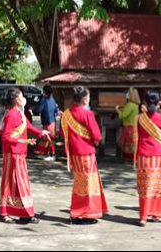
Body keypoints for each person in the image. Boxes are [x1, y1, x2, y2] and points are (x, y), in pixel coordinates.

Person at [0, 87, 50, 224]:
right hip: (12, 154)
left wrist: (41, 133)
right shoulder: (11, 115)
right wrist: (22, 140)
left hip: (20, 154)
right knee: (11, 183)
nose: (24, 99)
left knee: (21, 184)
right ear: (16, 99)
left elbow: (28, 126)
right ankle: (5, 212)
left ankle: (25, 213)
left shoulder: (20, 113)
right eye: (21, 96)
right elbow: (5, 137)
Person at [60, 86, 106, 225]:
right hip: (86, 153)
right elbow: (97, 135)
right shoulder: (88, 114)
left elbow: (63, 134)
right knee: (88, 184)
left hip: (74, 154)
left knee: (79, 183)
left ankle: (79, 212)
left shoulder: (67, 114)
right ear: (85, 99)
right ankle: (83, 214)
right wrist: (96, 141)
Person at [135, 93, 161, 225]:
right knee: (160, 186)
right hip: (159, 157)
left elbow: (136, 137)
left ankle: (143, 217)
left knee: (145, 187)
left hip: (143, 157)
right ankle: (158, 214)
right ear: (159, 103)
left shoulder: (139, 118)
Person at [34, 85, 59, 161]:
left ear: (44, 92)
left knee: (47, 138)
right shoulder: (53, 99)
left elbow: (38, 110)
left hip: (47, 122)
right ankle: (47, 152)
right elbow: (56, 110)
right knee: (50, 137)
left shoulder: (43, 100)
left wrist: (34, 110)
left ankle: (50, 153)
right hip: (52, 121)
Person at [116, 88, 140, 163]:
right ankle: (133, 159)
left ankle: (128, 159)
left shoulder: (130, 105)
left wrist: (117, 110)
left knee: (126, 144)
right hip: (134, 126)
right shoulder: (136, 105)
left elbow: (123, 115)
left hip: (128, 126)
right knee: (132, 144)